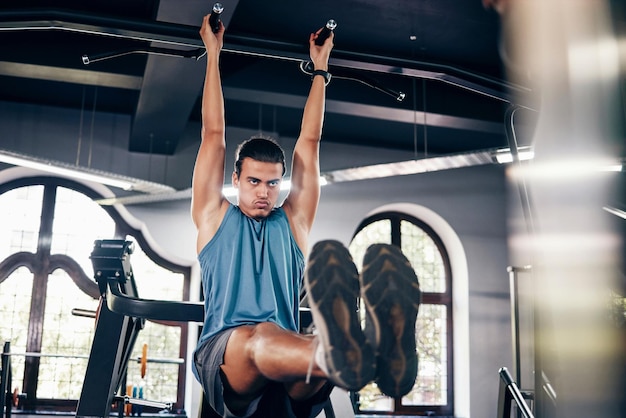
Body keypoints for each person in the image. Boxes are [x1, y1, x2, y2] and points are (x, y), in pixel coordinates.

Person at [191, 10, 421, 418]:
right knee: (258, 336)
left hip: (290, 358)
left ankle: (361, 349)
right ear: (236, 178)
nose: (264, 192)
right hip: (227, 357)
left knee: (308, 346)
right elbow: (213, 134)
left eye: (273, 183)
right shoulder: (212, 215)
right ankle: (342, 349)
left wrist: (320, 68)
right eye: (254, 182)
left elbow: (309, 143)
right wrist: (214, 53)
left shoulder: (292, 221)